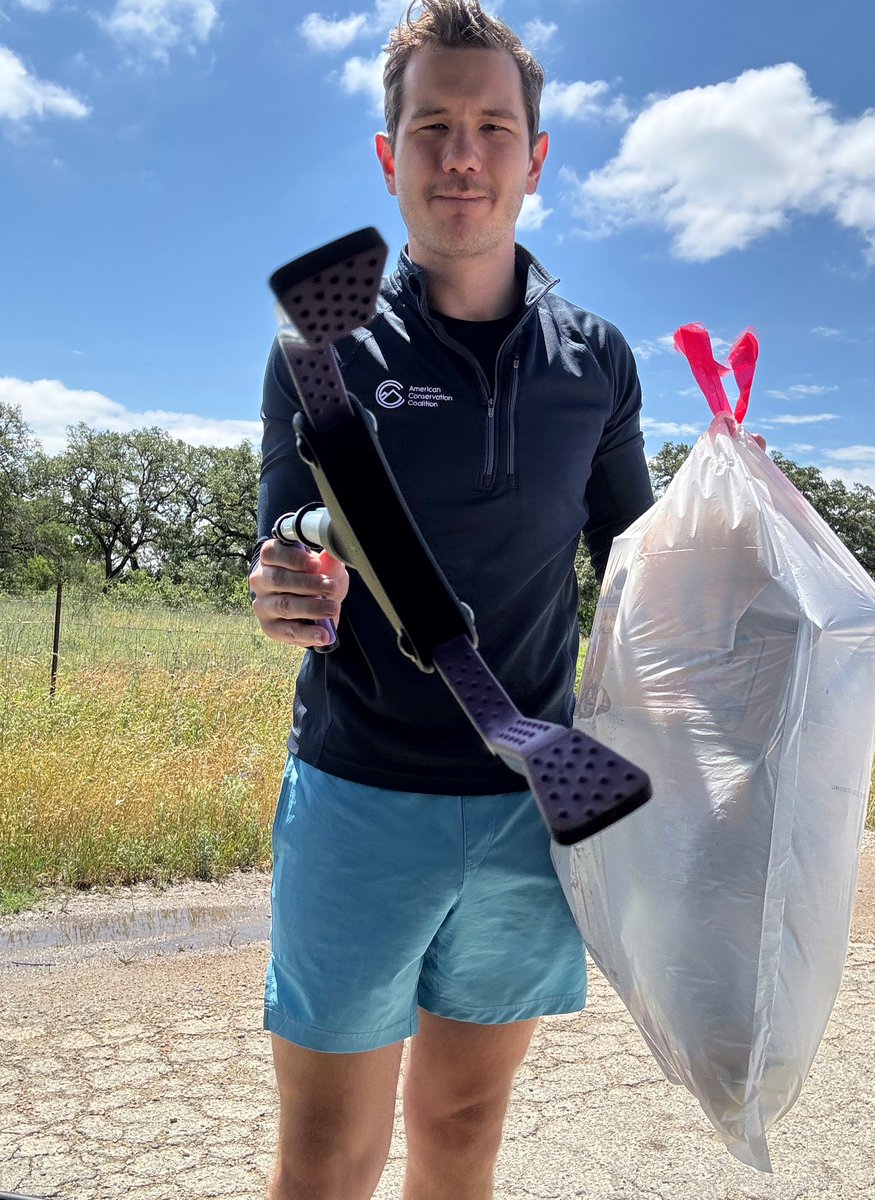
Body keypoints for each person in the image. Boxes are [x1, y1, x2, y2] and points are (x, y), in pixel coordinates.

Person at [249, 3, 655, 1197]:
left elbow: (632, 569)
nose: (462, 154)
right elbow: (286, 520)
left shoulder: (599, 361)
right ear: (390, 155)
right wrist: (291, 577)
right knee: (326, 1155)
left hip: (538, 800)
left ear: (537, 154)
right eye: (432, 126)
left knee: (467, 1129)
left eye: (491, 125)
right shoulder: (319, 345)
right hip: (359, 796)